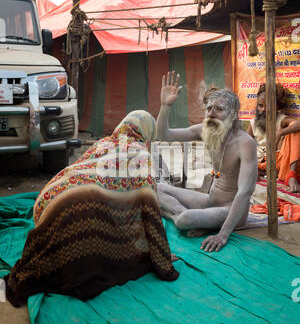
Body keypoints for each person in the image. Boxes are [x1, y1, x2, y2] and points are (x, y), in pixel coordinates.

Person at [4, 110, 179, 307]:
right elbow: (150, 209)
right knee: (110, 226)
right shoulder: (140, 153)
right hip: (75, 215)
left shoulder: (102, 143)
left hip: (46, 201)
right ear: (147, 132)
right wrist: (159, 256)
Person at [156, 71, 257, 253]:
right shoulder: (205, 130)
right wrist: (165, 106)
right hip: (210, 201)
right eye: (209, 108)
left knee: (185, 219)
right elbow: (164, 135)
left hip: (231, 209)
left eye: (219, 109)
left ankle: (184, 218)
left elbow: (244, 192)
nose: (211, 114)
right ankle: (185, 217)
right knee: (157, 188)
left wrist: (223, 235)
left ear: (233, 115)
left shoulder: (245, 143)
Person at [248, 83, 300, 193]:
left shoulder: (281, 120)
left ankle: (292, 176)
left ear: (277, 107)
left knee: (296, 131)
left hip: (277, 163)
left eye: (269, 106)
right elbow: (245, 146)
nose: (264, 110)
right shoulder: (253, 123)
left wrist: (281, 132)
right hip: (259, 164)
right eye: (261, 105)